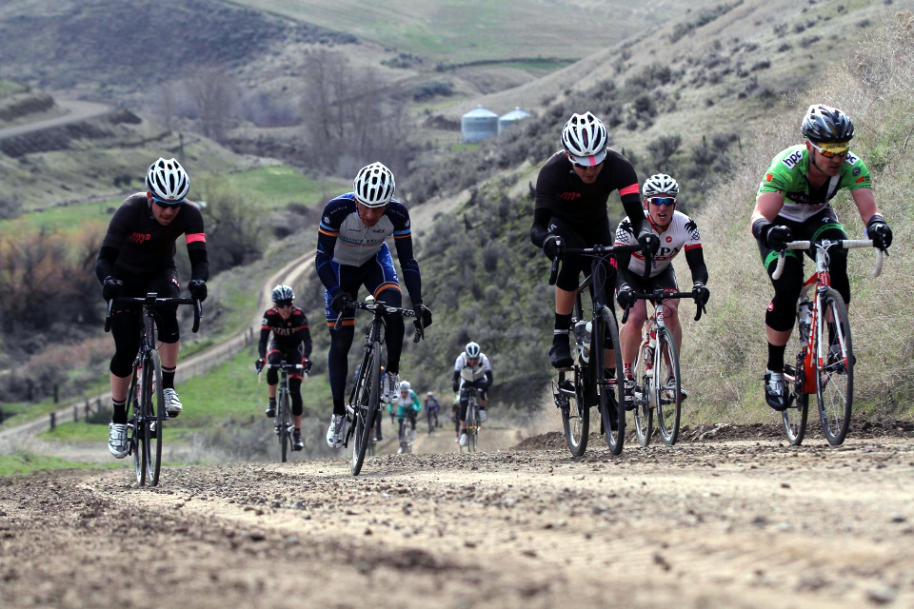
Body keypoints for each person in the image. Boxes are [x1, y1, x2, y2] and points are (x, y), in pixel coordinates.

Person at [750, 104, 892, 410]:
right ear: (809, 147)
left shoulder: (853, 166)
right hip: (780, 222)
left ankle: (834, 343)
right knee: (787, 289)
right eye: (828, 152)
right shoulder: (786, 165)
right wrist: (767, 231)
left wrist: (878, 226)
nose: (837, 159)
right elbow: (760, 216)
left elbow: (870, 212)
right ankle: (774, 370)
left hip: (818, 217)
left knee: (837, 252)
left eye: (841, 150)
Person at [96, 158, 208, 458]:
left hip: (160, 272)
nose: (169, 211)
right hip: (123, 277)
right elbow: (103, 258)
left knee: (169, 312)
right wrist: (108, 281)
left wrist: (198, 281)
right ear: (150, 197)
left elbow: (200, 258)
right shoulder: (130, 210)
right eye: (162, 204)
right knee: (126, 349)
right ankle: (119, 420)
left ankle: (168, 387)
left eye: (175, 205)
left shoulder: (190, 214)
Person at [315, 162, 433, 449]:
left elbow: (408, 262)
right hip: (339, 269)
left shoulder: (397, 213)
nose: (370, 215)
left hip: (373, 263)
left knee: (394, 308)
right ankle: (339, 414)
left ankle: (391, 373)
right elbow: (321, 259)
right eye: (364, 206)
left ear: (388, 203)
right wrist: (336, 292)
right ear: (355, 198)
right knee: (340, 342)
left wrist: (418, 303)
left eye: (377, 209)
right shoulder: (336, 209)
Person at [529, 112, 658, 370]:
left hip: (596, 226)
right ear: (569, 157)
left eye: (596, 164)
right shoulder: (552, 171)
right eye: (582, 166)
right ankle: (560, 338)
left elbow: (637, 217)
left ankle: (611, 382)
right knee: (572, 257)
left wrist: (645, 234)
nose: (590, 170)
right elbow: (537, 228)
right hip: (561, 226)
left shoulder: (619, 166)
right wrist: (548, 241)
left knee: (607, 293)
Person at [615, 174, 710, 406]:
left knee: (669, 311)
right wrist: (623, 288)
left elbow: (697, 264)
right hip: (630, 276)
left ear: (675, 205)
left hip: (660, 273)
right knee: (636, 317)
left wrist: (699, 285)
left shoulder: (686, 225)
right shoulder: (629, 226)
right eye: (657, 201)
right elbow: (617, 267)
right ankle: (627, 378)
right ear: (646, 204)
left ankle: (671, 375)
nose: (663, 206)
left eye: (668, 201)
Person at [254, 285, 313, 451]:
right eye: (281, 305)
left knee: (295, 391)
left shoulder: (299, 315)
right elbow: (262, 341)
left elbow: (307, 341)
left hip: (295, 349)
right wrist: (261, 358)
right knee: (272, 364)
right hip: (277, 346)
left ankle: (297, 433)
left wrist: (306, 358)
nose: (285, 308)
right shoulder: (270, 315)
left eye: (288, 304)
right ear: (275, 305)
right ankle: (272, 402)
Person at [451, 341, 493, 447]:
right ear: (466, 355)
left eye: (475, 358)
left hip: (479, 379)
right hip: (466, 380)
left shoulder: (484, 359)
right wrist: (455, 386)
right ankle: (464, 432)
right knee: (463, 404)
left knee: (484, 390)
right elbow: (455, 378)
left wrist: (485, 386)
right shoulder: (460, 359)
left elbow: (490, 378)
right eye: (471, 358)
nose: (473, 361)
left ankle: (482, 409)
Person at [388, 380, 421, 454]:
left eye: (405, 392)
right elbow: (390, 405)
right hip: (402, 408)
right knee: (400, 426)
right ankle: (401, 446)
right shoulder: (396, 394)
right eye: (401, 392)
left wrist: (416, 411)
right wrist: (391, 411)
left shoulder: (412, 394)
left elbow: (419, 405)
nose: (403, 394)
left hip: (410, 407)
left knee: (412, 415)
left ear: (408, 391)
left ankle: (413, 429)